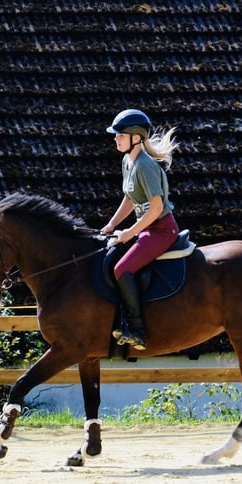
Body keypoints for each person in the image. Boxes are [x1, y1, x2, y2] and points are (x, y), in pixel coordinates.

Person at [101, 109, 180, 351]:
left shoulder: (145, 165)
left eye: (120, 135)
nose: (116, 139)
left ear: (136, 137)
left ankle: (136, 328)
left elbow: (156, 209)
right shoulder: (128, 161)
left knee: (121, 268)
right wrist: (113, 224)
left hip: (162, 230)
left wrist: (129, 233)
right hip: (147, 228)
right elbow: (130, 199)